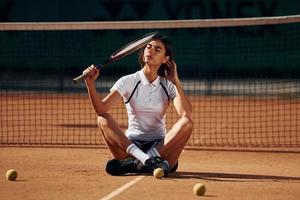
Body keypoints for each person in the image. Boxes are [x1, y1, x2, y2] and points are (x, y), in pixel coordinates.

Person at [83, 33, 193, 176]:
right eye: (148, 47)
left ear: (165, 59)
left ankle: (138, 163)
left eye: (157, 49)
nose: (150, 50)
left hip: (160, 147)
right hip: (131, 146)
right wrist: (90, 84)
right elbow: (101, 109)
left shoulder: (168, 85)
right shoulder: (128, 81)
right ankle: (148, 161)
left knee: (187, 122)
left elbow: (185, 113)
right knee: (102, 119)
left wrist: (175, 80)